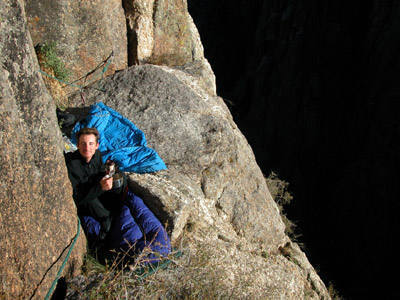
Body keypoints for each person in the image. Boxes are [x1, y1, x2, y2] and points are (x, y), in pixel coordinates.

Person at [65, 127, 126, 240]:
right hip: (85, 200)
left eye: (91, 143)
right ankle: (101, 240)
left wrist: (109, 173)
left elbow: (98, 172)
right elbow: (77, 197)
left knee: (121, 179)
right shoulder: (71, 165)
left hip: (97, 189)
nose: (87, 148)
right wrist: (100, 187)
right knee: (104, 216)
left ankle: (118, 207)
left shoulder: (97, 155)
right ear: (77, 145)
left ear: (97, 145)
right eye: (83, 144)